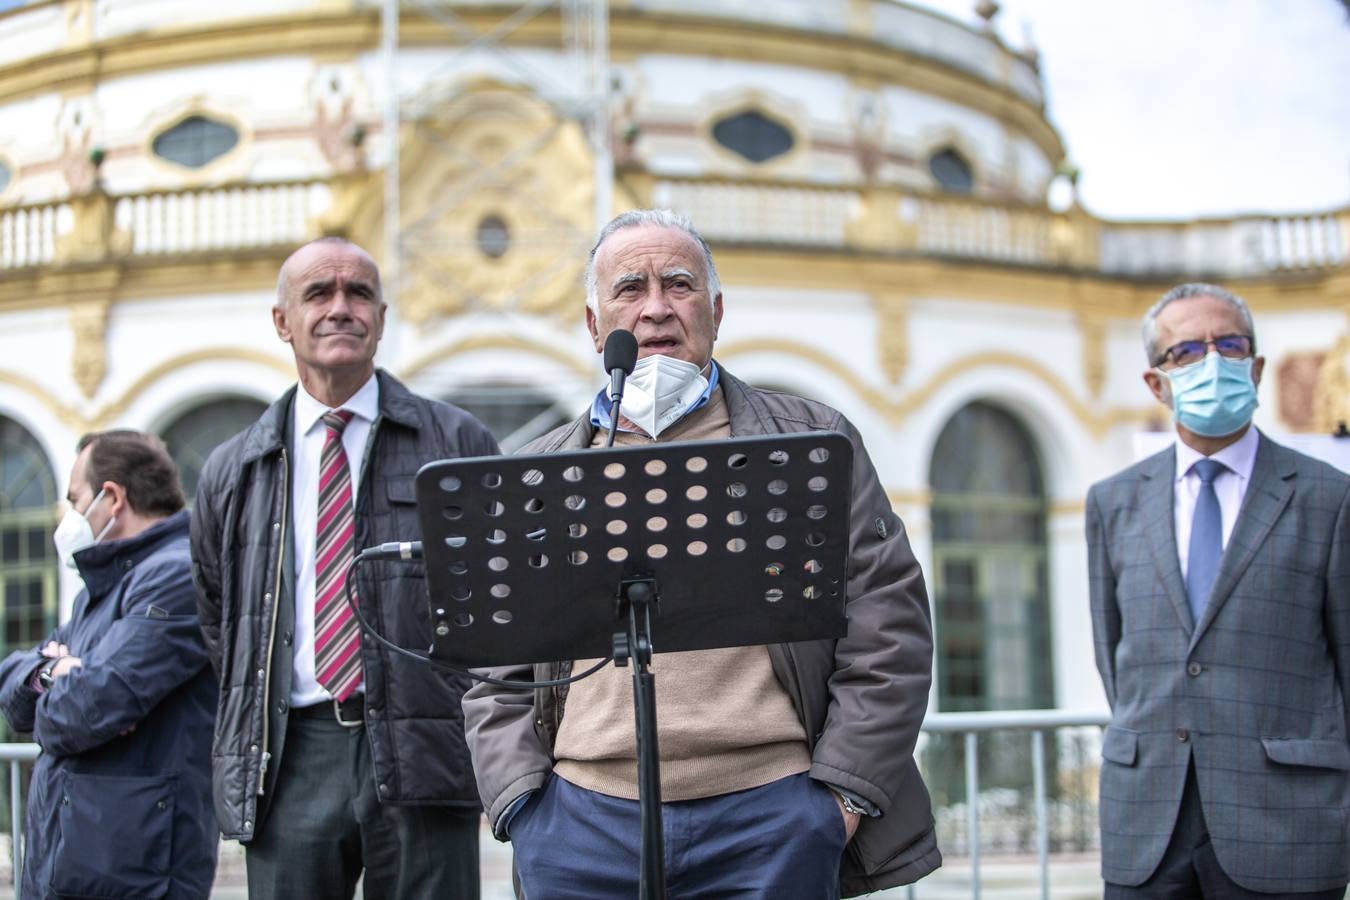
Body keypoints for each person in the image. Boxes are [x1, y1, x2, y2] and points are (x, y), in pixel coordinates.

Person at [462, 209, 940, 898]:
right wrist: (522, 804)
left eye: (678, 284)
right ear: (596, 326)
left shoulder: (810, 441)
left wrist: (838, 802)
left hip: (773, 818)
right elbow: (495, 668)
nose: (656, 308)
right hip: (579, 827)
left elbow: (888, 624)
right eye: (629, 289)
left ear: (715, 311)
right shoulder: (538, 473)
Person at [190, 236, 500, 899]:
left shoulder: (456, 445)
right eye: (318, 294)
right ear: (283, 322)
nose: (341, 308)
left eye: (359, 293)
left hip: (425, 748)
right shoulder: (233, 468)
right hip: (289, 756)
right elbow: (220, 617)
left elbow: (498, 602)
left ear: (381, 318)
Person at [1088, 282, 1350, 898]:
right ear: (1156, 383)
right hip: (1147, 822)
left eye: (1229, 345)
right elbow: (1114, 654)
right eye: (1186, 352)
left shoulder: (1329, 498)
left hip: (1287, 823)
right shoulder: (1113, 501)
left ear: (1255, 368)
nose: (1212, 362)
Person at [0, 430, 218, 900]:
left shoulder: (175, 576)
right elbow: (13, 696)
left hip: (133, 870)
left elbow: (87, 708)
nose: (69, 517)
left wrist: (68, 685)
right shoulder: (98, 594)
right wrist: (50, 673)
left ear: (113, 497)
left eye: (75, 499)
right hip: (79, 863)